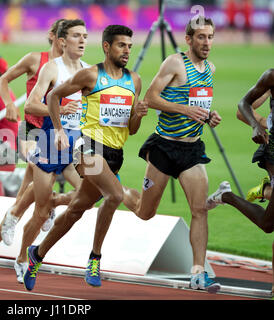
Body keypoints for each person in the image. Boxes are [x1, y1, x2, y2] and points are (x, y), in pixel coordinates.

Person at [23, 24, 148, 290]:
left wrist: (138, 114)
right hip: (87, 147)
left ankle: (38, 254)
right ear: (106, 46)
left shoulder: (134, 80)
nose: (126, 50)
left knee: (76, 211)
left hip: (115, 153)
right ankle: (95, 258)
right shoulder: (90, 75)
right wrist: (58, 130)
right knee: (114, 196)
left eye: (129, 46)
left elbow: (132, 130)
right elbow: (55, 95)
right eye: (121, 45)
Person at [129, 16, 222, 293]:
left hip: (192, 149)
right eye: (202, 37)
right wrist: (185, 110)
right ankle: (119, 191)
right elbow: (151, 97)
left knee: (200, 209)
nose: (207, 43)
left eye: (210, 37)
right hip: (163, 147)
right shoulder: (174, 63)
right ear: (189, 39)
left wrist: (209, 117)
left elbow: (198, 104)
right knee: (145, 213)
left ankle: (198, 272)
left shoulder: (210, 69)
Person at [0, 19, 66, 274]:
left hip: (56, 133)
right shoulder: (34, 60)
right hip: (31, 129)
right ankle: (42, 212)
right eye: (65, 35)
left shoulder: (70, 68)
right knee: (38, 172)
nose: (68, 40)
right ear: (53, 36)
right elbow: (4, 80)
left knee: (24, 198)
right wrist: (8, 102)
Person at [15, 18, 89, 284]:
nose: (82, 41)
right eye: (76, 36)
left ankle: (57, 202)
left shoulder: (90, 71)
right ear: (61, 41)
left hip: (77, 147)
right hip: (49, 143)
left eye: (85, 36)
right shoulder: (51, 69)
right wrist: (57, 110)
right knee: (41, 212)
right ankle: (23, 257)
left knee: (89, 195)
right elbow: (30, 106)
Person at [206, 68, 274, 294]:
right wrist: (257, 125)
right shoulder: (271, 75)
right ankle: (229, 195)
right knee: (268, 225)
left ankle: (263, 191)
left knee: (270, 223)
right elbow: (243, 104)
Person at [236, 90, 272, 202]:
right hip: (272, 149)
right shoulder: (271, 79)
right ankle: (265, 190)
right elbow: (242, 111)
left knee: (267, 219)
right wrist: (263, 123)